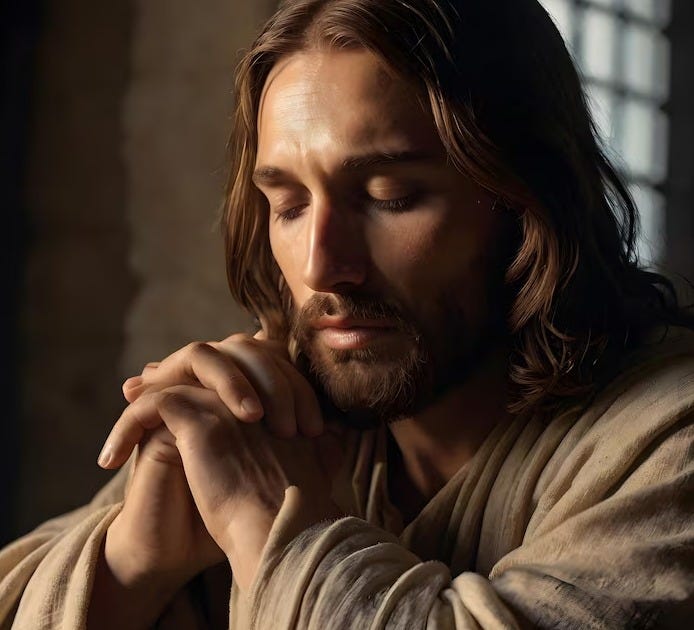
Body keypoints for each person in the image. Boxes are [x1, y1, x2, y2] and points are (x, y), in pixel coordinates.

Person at [1, 0, 693, 627]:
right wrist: (133, 562)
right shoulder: (271, 407)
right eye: (289, 205)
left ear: (527, 201)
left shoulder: (667, 437)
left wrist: (265, 522)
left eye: (390, 197)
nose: (320, 267)